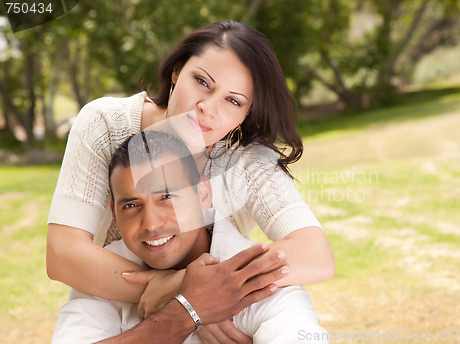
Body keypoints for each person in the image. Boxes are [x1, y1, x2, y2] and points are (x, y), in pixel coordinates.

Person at [47, 20, 334, 341]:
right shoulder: (104, 124)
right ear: (176, 72)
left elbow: (314, 255)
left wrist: (207, 294)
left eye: (233, 101)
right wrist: (184, 297)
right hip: (110, 300)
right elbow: (63, 255)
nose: (207, 109)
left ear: (246, 114)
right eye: (202, 81)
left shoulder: (246, 160)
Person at [52, 131, 328, 344]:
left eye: (167, 197)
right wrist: (187, 311)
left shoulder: (265, 285)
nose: (151, 223)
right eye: (132, 205)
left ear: (203, 195)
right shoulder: (102, 276)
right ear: (113, 213)